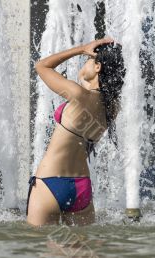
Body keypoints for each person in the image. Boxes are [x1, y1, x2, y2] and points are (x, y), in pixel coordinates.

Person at [27, 38, 126, 226]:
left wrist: (81, 49)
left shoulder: (78, 94)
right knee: (80, 252)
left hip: (50, 182)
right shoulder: (112, 107)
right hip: (81, 188)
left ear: (98, 67)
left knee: (38, 246)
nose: (84, 62)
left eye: (88, 60)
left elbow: (41, 66)